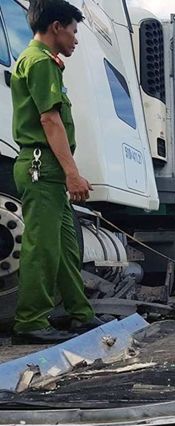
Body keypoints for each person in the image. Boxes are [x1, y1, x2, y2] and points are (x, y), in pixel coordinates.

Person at [10, 0, 103, 345]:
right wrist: (72, 173)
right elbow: (50, 120)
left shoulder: (41, 61)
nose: (76, 39)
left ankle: (80, 314)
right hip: (42, 165)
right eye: (74, 31)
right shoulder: (40, 62)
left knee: (65, 248)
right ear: (56, 27)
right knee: (42, 248)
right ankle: (29, 322)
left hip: (47, 168)